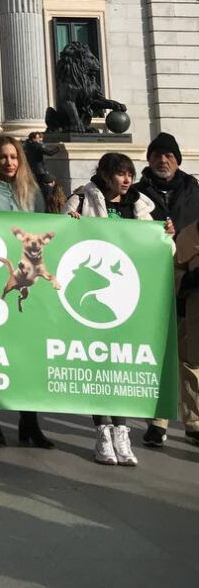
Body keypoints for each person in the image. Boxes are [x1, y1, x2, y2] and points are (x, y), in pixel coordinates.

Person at [65, 152, 164, 466]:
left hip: (128, 296)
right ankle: (102, 431)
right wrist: (71, 224)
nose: (126, 180)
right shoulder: (81, 198)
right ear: (105, 175)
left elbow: (157, 247)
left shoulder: (141, 205)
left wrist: (166, 236)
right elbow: (63, 237)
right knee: (98, 363)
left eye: (129, 174)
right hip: (91, 298)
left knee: (122, 366)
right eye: (120, 174)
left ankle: (123, 431)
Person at [0, 136, 53, 450]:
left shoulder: (33, 193)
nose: (9, 162)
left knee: (27, 353)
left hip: (28, 280)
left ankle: (29, 422)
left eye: (14, 157)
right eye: (3, 157)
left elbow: (49, 232)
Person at [137, 132, 199, 447]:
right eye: (157, 155)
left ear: (178, 159)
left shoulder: (195, 191)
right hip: (152, 284)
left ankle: (195, 421)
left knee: (192, 358)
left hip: (190, 285)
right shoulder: (136, 192)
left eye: (169, 155)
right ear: (148, 160)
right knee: (157, 356)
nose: (163, 160)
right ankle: (157, 422)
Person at [173, 217, 199, 447]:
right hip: (195, 310)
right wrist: (188, 278)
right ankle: (194, 424)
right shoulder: (188, 234)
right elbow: (174, 271)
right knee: (193, 367)